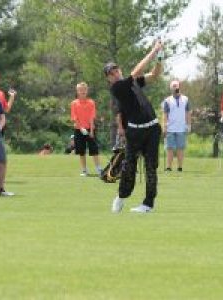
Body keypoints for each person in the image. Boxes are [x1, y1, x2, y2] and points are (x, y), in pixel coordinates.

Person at [104, 40, 163, 213]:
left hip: (152, 128)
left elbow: (154, 75)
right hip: (135, 133)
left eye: (116, 70)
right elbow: (137, 71)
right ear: (108, 78)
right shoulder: (117, 88)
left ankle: (148, 204)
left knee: (152, 167)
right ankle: (121, 196)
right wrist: (153, 50)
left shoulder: (133, 82)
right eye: (111, 73)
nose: (115, 73)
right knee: (129, 166)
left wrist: (160, 57)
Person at [70, 82, 102, 176]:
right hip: (78, 130)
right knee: (81, 151)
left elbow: (92, 117)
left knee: (94, 150)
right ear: (77, 91)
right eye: (80, 90)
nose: (82, 92)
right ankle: (84, 170)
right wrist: (81, 128)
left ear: (87, 91)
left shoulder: (91, 102)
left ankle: (99, 169)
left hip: (90, 129)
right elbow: (74, 118)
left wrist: (91, 131)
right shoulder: (74, 103)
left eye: (84, 90)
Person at [162, 80, 191, 172]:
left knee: (180, 148)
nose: (175, 87)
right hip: (170, 128)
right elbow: (165, 115)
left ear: (179, 87)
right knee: (169, 148)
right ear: (171, 88)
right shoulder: (167, 100)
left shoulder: (186, 99)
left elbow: (188, 113)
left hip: (181, 127)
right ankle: (168, 167)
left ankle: (180, 167)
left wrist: (189, 125)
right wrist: (164, 126)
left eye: (177, 86)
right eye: (173, 86)